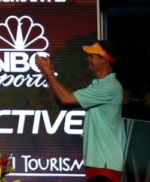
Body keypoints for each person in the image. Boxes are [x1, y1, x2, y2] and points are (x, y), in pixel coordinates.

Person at [36, 41, 124, 182]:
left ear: (105, 61)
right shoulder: (99, 85)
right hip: (98, 162)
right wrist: (48, 75)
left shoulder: (109, 87)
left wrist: (48, 74)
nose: (88, 58)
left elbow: (66, 99)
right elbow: (63, 103)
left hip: (105, 163)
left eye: (92, 56)